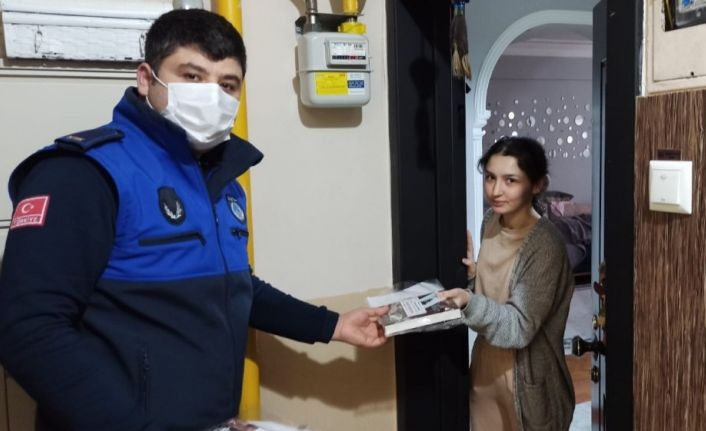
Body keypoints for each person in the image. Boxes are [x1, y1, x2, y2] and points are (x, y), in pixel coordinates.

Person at [0, 9, 387, 431]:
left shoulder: (222, 182)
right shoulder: (82, 174)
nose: (211, 95)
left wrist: (333, 325)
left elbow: (236, 287)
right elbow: (28, 330)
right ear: (146, 79)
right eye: (192, 76)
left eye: (227, 84)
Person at [439, 136, 575, 431]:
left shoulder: (545, 245)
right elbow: (494, 297)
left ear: (536, 185)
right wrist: (474, 277)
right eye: (490, 177)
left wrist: (469, 301)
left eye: (510, 180)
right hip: (485, 375)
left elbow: (519, 327)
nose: (495, 190)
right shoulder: (491, 220)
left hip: (528, 389)